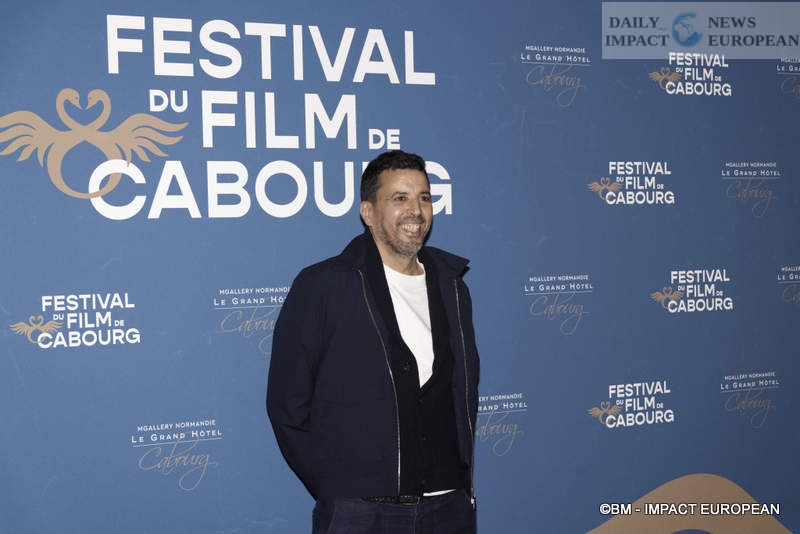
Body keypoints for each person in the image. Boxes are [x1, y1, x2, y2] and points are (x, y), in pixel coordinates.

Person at [267, 149, 480, 533]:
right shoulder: (324, 286)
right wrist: (337, 486)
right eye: (400, 198)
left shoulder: (451, 286)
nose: (416, 210)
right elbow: (287, 404)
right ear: (368, 212)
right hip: (360, 512)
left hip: (448, 505)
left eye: (424, 198)